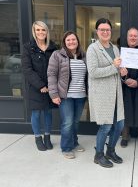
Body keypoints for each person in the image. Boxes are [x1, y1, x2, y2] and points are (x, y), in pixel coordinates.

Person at [86, 18, 126, 168]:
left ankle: (110, 151)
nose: (105, 32)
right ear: (97, 32)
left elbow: (117, 68)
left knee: (120, 124)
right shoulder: (93, 49)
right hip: (102, 94)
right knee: (106, 126)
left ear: (111, 31)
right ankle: (98, 155)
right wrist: (114, 67)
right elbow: (93, 72)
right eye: (102, 30)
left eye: (107, 30)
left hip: (116, 93)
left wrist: (122, 71)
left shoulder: (115, 48)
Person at [47, 31, 87, 159]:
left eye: (73, 39)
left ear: (77, 41)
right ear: (64, 42)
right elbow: (51, 74)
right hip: (66, 96)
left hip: (80, 95)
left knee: (75, 122)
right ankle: (66, 147)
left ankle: (74, 142)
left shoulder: (84, 55)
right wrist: (53, 94)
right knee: (67, 122)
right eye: (68, 40)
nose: (71, 42)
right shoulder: (57, 55)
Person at [21, 21, 57, 151]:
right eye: (38, 30)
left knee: (48, 112)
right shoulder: (28, 48)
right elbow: (27, 69)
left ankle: (47, 137)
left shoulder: (53, 47)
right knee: (36, 113)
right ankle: (38, 138)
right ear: (34, 31)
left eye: (43, 30)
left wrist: (52, 85)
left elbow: (56, 67)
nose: (41, 32)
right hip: (35, 87)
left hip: (50, 86)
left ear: (47, 32)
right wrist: (40, 85)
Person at [120, 28, 138, 148]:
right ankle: (125, 136)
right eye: (130, 36)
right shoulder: (121, 54)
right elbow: (119, 71)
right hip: (125, 87)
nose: (133, 38)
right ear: (127, 38)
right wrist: (125, 79)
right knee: (125, 111)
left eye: (135, 36)